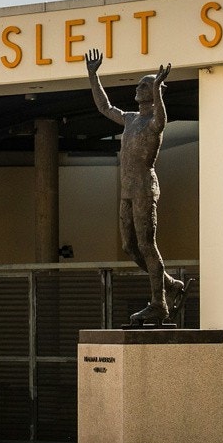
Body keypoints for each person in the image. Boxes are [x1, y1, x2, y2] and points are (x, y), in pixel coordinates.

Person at [85, 48, 188, 326]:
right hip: (128, 189)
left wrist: (158, 90)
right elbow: (105, 108)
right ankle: (170, 283)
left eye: (144, 84)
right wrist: (93, 76)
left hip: (144, 187)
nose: (138, 88)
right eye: (141, 85)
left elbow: (162, 120)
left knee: (146, 244)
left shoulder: (154, 121)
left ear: (154, 92)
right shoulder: (130, 118)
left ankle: (159, 304)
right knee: (130, 246)